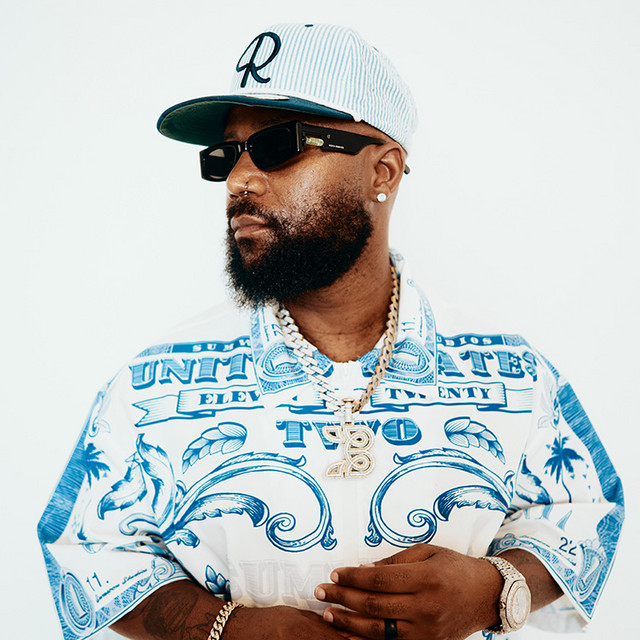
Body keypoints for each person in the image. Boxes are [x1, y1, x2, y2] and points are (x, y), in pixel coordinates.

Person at [38, 23, 623, 640]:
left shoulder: (512, 369)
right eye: (226, 155)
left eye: (277, 146)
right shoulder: (152, 382)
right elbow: (86, 549)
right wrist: (222, 629)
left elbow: (587, 512)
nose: (239, 179)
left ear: (383, 172)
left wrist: (494, 590)